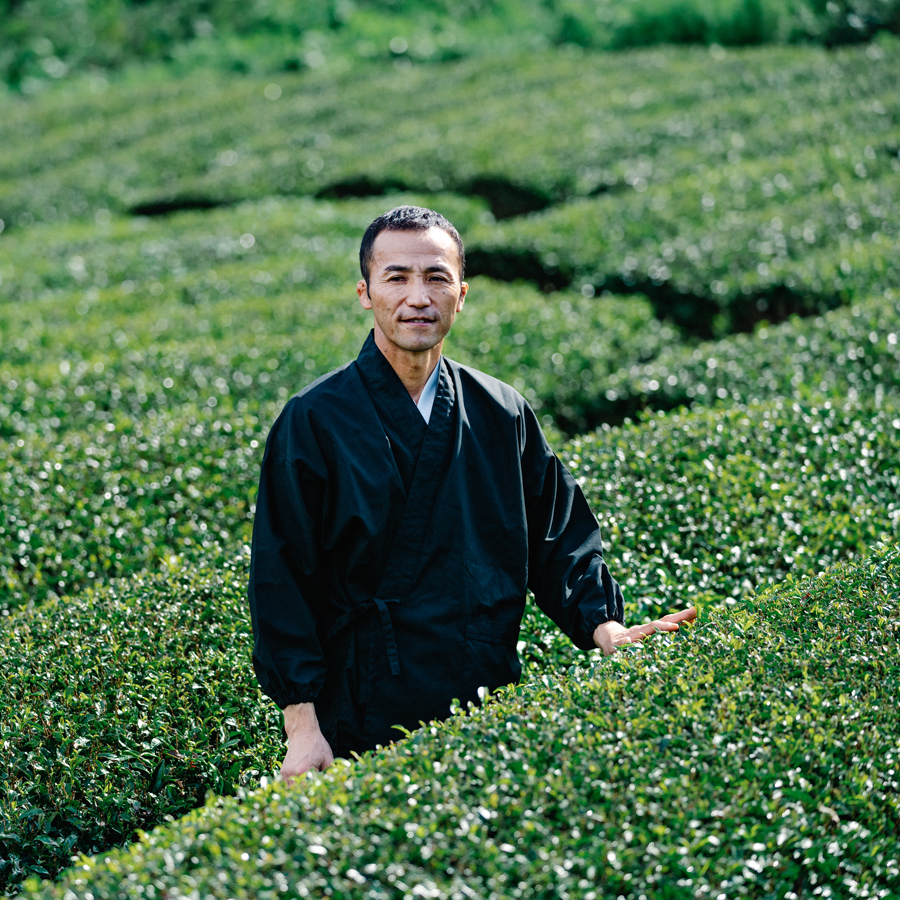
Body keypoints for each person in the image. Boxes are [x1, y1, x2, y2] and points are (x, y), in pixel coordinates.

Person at [248, 206, 696, 782]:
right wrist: (303, 728)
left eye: (436, 278)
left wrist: (603, 625)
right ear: (365, 293)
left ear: (462, 293)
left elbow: (556, 535)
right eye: (397, 278)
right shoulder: (313, 420)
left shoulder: (500, 409)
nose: (418, 298)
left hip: (485, 696)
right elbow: (282, 580)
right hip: (363, 709)